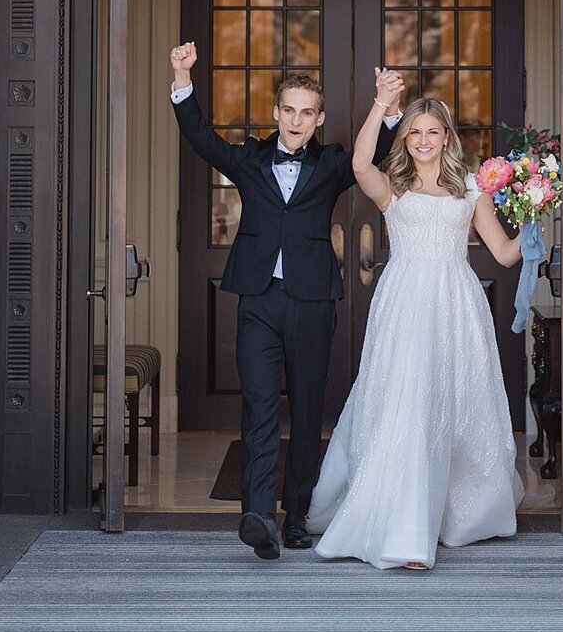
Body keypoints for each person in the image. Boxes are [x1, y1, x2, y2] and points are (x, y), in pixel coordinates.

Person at [169, 43, 403, 561]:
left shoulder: (332, 164)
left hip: (314, 301)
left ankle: (296, 515)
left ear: (319, 119)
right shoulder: (251, 157)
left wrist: (387, 105)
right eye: (288, 110)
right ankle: (257, 515)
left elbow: (378, 154)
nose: (296, 120)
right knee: (257, 407)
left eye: (307, 113)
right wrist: (182, 78)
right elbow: (201, 139)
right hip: (257, 299)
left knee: (306, 409)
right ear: (276, 113)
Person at [307, 85, 525, 570]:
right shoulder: (393, 186)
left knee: (456, 401)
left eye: (432, 131)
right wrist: (381, 104)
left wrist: (537, 225)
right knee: (405, 404)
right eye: (414, 133)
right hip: (405, 301)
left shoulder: (471, 188)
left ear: (446, 137)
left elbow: (504, 254)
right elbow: (360, 165)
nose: (423, 140)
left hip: (457, 304)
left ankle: (457, 513)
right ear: (404, 139)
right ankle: (404, 528)